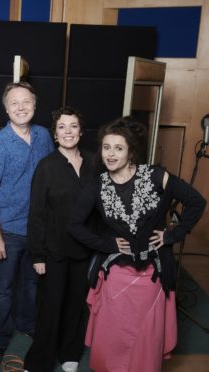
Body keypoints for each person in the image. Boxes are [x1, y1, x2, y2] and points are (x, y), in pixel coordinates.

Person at [68, 117, 206, 372]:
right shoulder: (97, 185)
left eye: (118, 148)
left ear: (131, 152)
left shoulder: (155, 176)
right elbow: (74, 225)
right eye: (106, 147)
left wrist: (172, 234)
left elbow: (196, 201)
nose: (110, 154)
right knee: (113, 337)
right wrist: (107, 243)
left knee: (145, 338)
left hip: (152, 276)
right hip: (116, 276)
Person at [0, 81, 54, 366]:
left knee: (31, 285)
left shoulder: (44, 136)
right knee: (3, 290)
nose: (21, 107)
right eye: (14, 103)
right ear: (6, 108)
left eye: (26, 102)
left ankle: (27, 324)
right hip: (8, 230)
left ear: (35, 106)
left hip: (38, 229)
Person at [24, 107, 94, 372]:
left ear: (81, 131)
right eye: (62, 127)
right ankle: (39, 361)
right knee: (51, 307)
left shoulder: (93, 163)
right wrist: (38, 255)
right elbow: (37, 214)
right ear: (55, 134)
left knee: (77, 304)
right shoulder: (46, 167)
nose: (68, 132)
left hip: (85, 251)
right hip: (54, 251)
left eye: (73, 126)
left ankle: (70, 354)